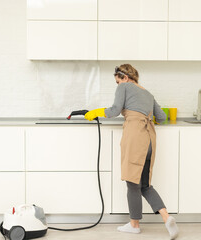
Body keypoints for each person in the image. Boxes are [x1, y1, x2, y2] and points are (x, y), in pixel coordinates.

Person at [84, 64, 179, 239]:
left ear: (125, 77)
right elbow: (163, 118)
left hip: (135, 136)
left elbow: (114, 110)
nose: (117, 85)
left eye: (117, 81)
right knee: (144, 185)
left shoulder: (124, 86)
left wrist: (96, 112)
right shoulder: (148, 93)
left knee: (131, 181)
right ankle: (167, 217)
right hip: (150, 138)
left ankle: (134, 225)